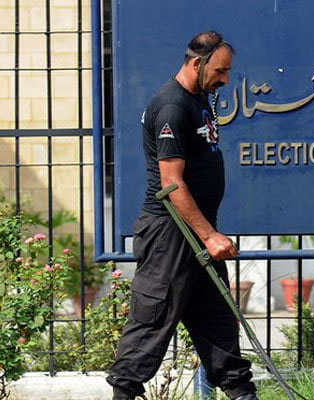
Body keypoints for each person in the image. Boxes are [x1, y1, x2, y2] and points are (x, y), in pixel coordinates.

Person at [106, 31, 258, 400]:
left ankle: (242, 393)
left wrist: (207, 233)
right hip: (171, 235)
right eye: (220, 71)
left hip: (197, 231)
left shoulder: (199, 99)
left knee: (219, 322)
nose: (224, 79)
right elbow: (171, 185)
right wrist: (209, 236)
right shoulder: (173, 106)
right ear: (196, 64)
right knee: (151, 323)